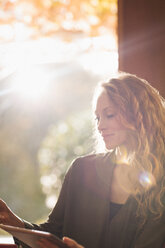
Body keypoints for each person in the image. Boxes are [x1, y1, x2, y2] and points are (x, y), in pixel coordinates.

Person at [0, 72, 165, 248]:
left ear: (140, 116)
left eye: (109, 115)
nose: (100, 126)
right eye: (98, 117)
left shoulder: (161, 182)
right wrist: (12, 222)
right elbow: (53, 232)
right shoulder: (82, 170)